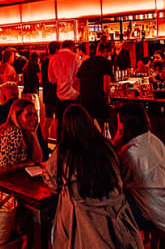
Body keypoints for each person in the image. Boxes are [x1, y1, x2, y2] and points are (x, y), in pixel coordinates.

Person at [43, 104, 143, 249]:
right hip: (115, 219)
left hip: (83, 224)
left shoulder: (63, 151)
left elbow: (52, 182)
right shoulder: (106, 146)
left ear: (66, 127)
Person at [116, 103, 165, 235]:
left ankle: (129, 242)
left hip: (152, 214)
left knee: (115, 207)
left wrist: (115, 144)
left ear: (124, 125)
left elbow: (122, 183)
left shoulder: (131, 152)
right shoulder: (155, 140)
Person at [0, 99, 43, 176]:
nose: (34, 118)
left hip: (11, 178)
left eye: (34, 114)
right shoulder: (13, 132)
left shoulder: (25, 132)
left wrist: (34, 135)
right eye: (28, 115)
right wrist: (25, 164)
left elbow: (37, 160)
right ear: (17, 116)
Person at [77, 39, 114, 127]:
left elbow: (75, 82)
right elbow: (106, 87)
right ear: (106, 51)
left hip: (85, 101)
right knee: (103, 128)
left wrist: (83, 91)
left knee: (88, 128)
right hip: (99, 102)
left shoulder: (86, 62)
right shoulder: (106, 63)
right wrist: (109, 97)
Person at [48, 40, 80, 139]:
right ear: (72, 47)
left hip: (60, 96)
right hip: (74, 95)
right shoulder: (75, 57)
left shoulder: (53, 58)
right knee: (74, 124)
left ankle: (60, 144)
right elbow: (78, 77)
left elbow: (51, 79)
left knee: (61, 123)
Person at [41, 41, 60, 140]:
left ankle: (44, 141)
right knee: (57, 119)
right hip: (55, 93)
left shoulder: (45, 61)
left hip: (47, 93)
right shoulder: (55, 61)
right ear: (57, 50)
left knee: (48, 118)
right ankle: (57, 141)